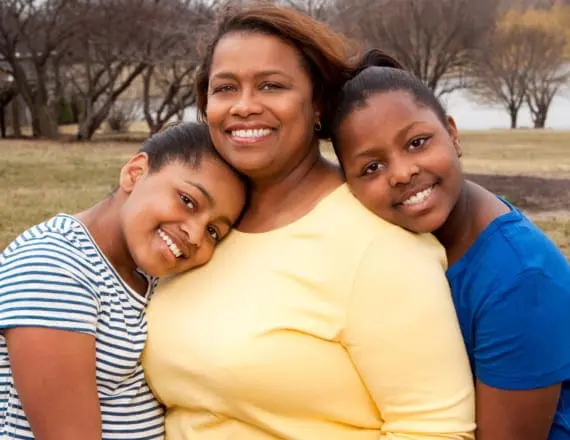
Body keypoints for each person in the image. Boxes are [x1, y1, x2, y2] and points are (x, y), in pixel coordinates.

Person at [141, 4, 475, 439]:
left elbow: (436, 430)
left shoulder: (378, 249)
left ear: (318, 105)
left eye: (271, 85)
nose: (244, 106)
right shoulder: (201, 226)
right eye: (225, 88)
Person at [331, 51, 570, 440]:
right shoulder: (389, 243)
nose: (402, 172)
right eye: (372, 167)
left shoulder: (520, 279)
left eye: (417, 142)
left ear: (453, 134)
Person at [0, 122, 246, 440]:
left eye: (214, 231)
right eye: (188, 201)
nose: (196, 234)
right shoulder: (54, 268)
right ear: (135, 173)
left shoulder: (144, 274)